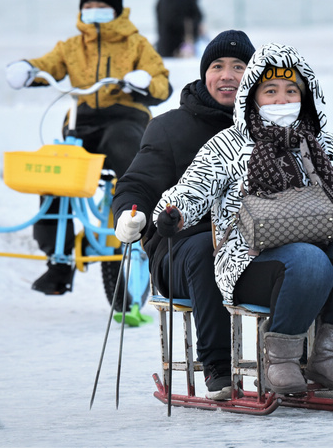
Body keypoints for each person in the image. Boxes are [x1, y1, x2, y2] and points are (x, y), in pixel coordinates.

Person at [153, 42, 333, 395]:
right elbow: (193, 190)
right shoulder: (227, 145)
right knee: (309, 260)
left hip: (316, 250)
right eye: (271, 90)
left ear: (307, 96)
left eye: (292, 91)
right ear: (253, 96)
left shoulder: (324, 145)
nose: (281, 99)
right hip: (250, 261)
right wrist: (173, 214)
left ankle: (327, 356)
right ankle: (280, 361)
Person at [5, 0, 171, 296]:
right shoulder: (71, 46)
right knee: (54, 172)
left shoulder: (136, 44)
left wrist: (141, 83)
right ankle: (58, 260)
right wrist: (27, 69)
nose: (94, 8)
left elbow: (161, 82)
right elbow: (48, 65)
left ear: (117, 8)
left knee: (127, 154)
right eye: (89, 3)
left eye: (102, 3)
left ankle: (141, 230)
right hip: (81, 121)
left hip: (126, 116)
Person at [111, 30, 256, 401]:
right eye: (218, 66)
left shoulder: (270, 125)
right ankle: (219, 367)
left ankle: (295, 362)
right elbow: (138, 184)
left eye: (238, 67)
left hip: (254, 242)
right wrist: (131, 216)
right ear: (204, 73)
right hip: (178, 251)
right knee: (208, 251)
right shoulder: (170, 127)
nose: (227, 75)